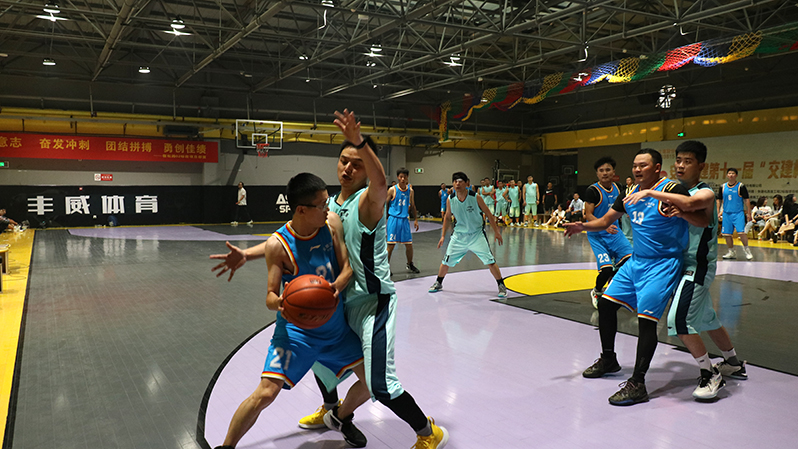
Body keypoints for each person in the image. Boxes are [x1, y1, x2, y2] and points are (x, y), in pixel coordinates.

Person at [303, 109, 448, 449]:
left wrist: (359, 141)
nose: (347, 168)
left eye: (357, 164)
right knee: (319, 361)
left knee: (380, 384)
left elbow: (381, 182)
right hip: (340, 302)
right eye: (344, 161)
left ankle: (428, 433)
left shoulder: (368, 201)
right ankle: (332, 411)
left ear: (366, 169)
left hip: (372, 303)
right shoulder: (327, 206)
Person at [208, 173, 371, 449]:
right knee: (265, 394)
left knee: (374, 381)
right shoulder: (278, 245)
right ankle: (226, 446)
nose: (328, 208)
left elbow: (347, 268)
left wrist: (335, 287)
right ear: (301, 210)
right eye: (322, 204)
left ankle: (340, 417)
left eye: (328, 202)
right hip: (297, 334)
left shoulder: (332, 224)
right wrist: (281, 302)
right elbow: (270, 296)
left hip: (335, 331)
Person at [564, 149, 700, 406]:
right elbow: (606, 220)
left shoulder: (672, 190)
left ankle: (638, 383)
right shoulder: (629, 194)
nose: (637, 169)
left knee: (646, 321)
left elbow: (700, 216)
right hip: (637, 261)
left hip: (663, 264)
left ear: (657, 168)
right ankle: (609, 359)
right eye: (635, 165)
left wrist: (682, 212)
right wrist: (582, 226)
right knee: (605, 304)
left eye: (643, 165)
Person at [625, 141, 747, 400]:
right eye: (678, 160)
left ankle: (709, 374)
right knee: (708, 318)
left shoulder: (705, 192)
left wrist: (650, 192)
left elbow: (691, 204)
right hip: (677, 264)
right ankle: (734, 364)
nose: (680, 165)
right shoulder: (675, 191)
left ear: (701, 166)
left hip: (697, 266)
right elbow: (683, 212)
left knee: (680, 321)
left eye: (687, 161)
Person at [429, 171, 506, 298]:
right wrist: (443, 236)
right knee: (446, 261)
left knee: (490, 261)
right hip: (459, 236)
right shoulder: (450, 199)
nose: (457, 184)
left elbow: (488, 213)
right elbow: (447, 217)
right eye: (455, 182)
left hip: (476, 235)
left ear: (467, 183)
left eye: (460, 181)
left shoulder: (475, 197)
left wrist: (496, 232)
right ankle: (438, 282)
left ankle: (501, 285)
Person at [582, 157, 632, 309]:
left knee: (630, 261)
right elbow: (588, 215)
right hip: (597, 235)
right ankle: (597, 291)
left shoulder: (618, 188)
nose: (605, 173)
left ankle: (613, 285)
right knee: (606, 269)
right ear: (597, 173)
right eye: (601, 170)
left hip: (615, 232)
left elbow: (623, 207)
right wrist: (604, 226)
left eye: (608, 170)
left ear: (613, 172)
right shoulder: (592, 191)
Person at [387, 167, 420, 273]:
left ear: (407, 177)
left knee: (409, 244)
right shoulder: (392, 190)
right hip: (394, 219)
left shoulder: (410, 191)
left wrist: (416, 219)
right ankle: (386, 268)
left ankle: (410, 264)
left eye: (404, 177)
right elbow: (385, 204)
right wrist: (383, 219)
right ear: (397, 177)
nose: (402, 179)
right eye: (401, 177)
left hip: (404, 220)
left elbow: (413, 206)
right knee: (391, 245)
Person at [717, 168, 753, 260]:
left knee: (741, 232)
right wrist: (718, 211)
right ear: (727, 175)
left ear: (736, 175)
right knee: (726, 234)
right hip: (726, 213)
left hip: (738, 213)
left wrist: (749, 213)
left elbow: (746, 200)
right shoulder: (723, 187)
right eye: (729, 173)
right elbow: (719, 200)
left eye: (733, 173)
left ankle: (747, 251)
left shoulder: (741, 186)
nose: (731, 175)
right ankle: (731, 252)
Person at [619, 177, 635, 245]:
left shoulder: (634, 188)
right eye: (626, 180)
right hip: (625, 210)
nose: (627, 181)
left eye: (629, 180)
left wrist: (630, 211)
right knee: (626, 230)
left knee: (630, 230)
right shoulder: (624, 189)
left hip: (632, 210)